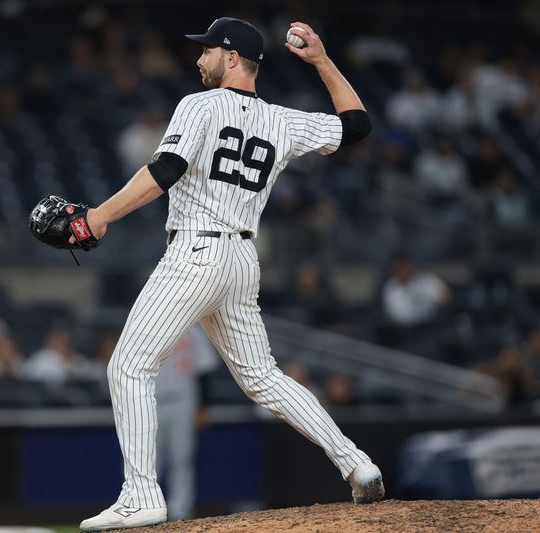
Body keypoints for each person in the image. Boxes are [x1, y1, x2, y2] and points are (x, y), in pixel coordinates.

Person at [79, 18, 383, 532]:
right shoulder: (282, 121)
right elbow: (357, 126)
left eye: (207, 51)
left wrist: (99, 216)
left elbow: (166, 169)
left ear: (232, 56)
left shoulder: (198, 105)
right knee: (263, 377)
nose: (199, 60)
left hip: (196, 249)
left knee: (127, 367)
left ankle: (140, 495)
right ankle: (356, 462)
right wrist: (323, 62)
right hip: (242, 256)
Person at [154, 326, 218, 521]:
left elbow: (205, 369)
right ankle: (145, 508)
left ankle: (180, 510)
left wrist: (203, 407)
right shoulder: (145, 322)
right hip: (150, 398)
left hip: (183, 397)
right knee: (147, 460)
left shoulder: (192, 330)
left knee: (182, 457)